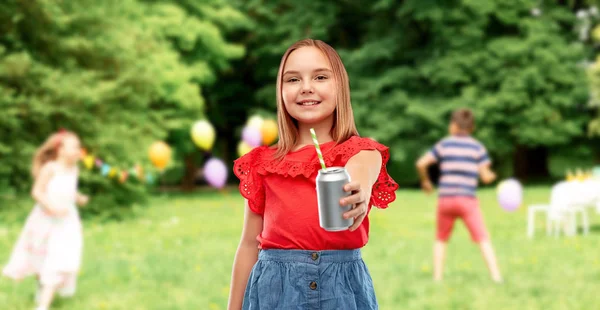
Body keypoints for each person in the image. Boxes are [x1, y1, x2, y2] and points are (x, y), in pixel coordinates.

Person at [227, 39, 399, 309]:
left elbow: (364, 165)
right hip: (275, 294)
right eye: (293, 79)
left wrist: (359, 187)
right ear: (280, 90)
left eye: (320, 77)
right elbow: (249, 244)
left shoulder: (358, 152)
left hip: (341, 293)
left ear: (340, 86)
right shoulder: (263, 163)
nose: (306, 87)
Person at [2, 130, 89, 310]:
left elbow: (68, 190)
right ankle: (42, 293)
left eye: (79, 147)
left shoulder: (74, 169)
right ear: (60, 149)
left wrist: (78, 197)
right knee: (43, 258)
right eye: (74, 146)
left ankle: (42, 306)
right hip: (46, 219)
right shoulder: (50, 168)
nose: (79, 150)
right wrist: (51, 207)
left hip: (66, 221)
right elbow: (37, 191)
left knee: (59, 259)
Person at [415, 108, 502, 283]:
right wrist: (492, 176)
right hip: (467, 200)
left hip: (446, 200)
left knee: (441, 239)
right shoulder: (477, 147)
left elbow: (421, 163)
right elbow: (485, 176)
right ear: (472, 127)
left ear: (453, 126)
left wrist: (426, 182)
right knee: (482, 237)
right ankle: (496, 277)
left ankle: (437, 278)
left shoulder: (445, 145)